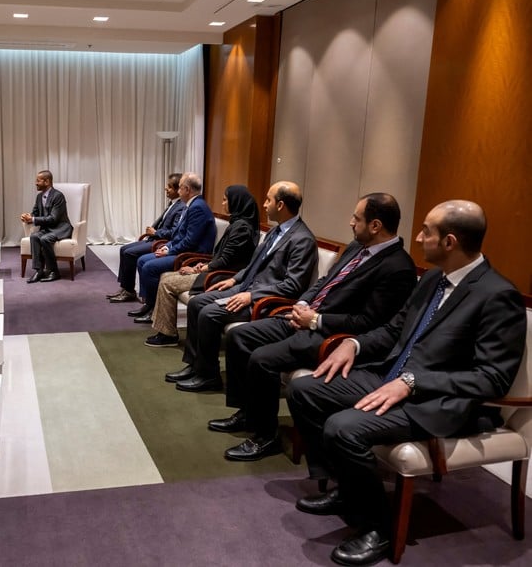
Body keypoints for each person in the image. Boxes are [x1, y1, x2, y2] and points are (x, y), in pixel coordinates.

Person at [286, 200, 526, 566]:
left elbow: (492, 378)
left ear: (449, 241)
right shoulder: (432, 277)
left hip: (436, 399)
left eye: (426, 231)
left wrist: (413, 382)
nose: (417, 236)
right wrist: (355, 343)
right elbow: (395, 329)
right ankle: (345, 489)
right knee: (305, 389)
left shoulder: (497, 296)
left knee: (342, 428)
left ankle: (378, 528)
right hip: (391, 376)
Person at [217, 193, 417, 462]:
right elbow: (325, 281)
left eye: (356, 218)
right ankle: (247, 413)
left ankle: (266, 437)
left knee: (262, 359)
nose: (350, 223)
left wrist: (315, 320)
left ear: (375, 226)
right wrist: (302, 302)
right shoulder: (356, 247)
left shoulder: (398, 268)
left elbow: (370, 323)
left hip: (332, 335)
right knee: (240, 336)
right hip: (305, 316)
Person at [168, 181, 317, 392]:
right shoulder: (276, 231)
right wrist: (235, 279)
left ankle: (208, 376)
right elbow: (254, 264)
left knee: (209, 314)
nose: (264, 204)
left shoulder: (302, 239)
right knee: (197, 302)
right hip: (245, 286)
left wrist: (251, 296)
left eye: (268, 200)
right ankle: (195, 364)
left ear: (281, 205)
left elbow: (293, 285)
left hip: (263, 299)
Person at [145, 184, 260, 346]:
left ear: (236, 201)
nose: (222, 204)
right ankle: (165, 329)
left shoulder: (242, 228)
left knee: (167, 283)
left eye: (225, 200)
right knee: (165, 276)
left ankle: (168, 334)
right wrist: (204, 264)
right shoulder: (238, 223)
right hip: (217, 270)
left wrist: (197, 268)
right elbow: (222, 257)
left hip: (223, 276)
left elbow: (225, 261)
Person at [126, 173, 216, 324]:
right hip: (183, 250)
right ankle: (149, 305)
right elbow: (178, 236)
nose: (178, 192)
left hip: (191, 256)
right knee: (142, 260)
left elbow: (190, 242)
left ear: (187, 189)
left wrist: (169, 250)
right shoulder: (192, 205)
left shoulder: (197, 208)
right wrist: (167, 247)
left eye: (180, 188)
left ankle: (154, 310)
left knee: (149, 267)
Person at [107, 173, 185, 303]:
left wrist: (156, 232)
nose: (166, 189)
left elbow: (173, 232)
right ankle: (126, 288)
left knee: (130, 253)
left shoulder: (181, 207)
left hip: (162, 242)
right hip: (154, 239)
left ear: (178, 190)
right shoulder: (173, 204)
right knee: (124, 249)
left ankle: (129, 291)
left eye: (170, 187)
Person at [20, 170, 73, 283]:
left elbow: (53, 218)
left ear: (47, 181)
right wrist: (28, 217)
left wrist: (33, 219)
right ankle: (39, 270)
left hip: (61, 228)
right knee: (34, 236)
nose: (36, 183)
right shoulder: (39, 197)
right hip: (48, 229)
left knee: (45, 239)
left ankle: (54, 271)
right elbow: (35, 213)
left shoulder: (58, 196)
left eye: (38, 180)